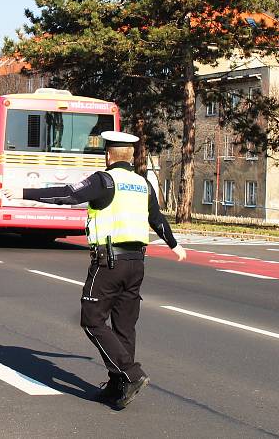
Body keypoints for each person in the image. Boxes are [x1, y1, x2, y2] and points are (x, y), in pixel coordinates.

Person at [20, 130, 187, 409]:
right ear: (131, 156)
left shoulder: (104, 180)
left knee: (92, 320)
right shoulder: (143, 183)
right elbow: (157, 219)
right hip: (137, 263)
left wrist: (24, 192)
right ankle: (116, 387)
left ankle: (130, 374)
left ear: (108, 155)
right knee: (124, 327)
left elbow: (67, 195)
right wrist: (174, 245)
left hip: (108, 263)